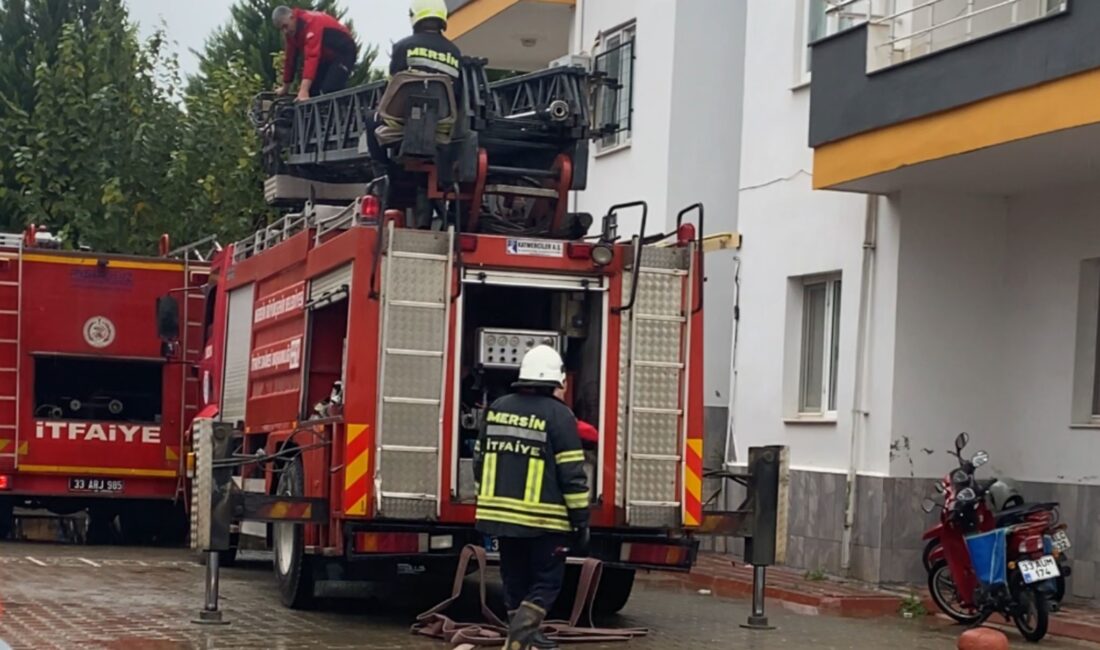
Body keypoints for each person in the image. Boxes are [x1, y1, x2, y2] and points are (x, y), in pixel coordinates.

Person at [474, 346, 590, 650]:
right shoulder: (561, 416)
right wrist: (581, 521)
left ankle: (524, 633)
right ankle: (521, 637)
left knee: (514, 578)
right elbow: (572, 474)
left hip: (500, 517)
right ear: (556, 381)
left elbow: (479, 459)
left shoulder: (497, 407)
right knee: (547, 581)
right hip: (545, 521)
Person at [271, 6, 358, 101]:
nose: (285, 31)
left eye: (285, 26)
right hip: (326, 56)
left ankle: (351, 108)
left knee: (329, 89)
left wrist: (303, 91)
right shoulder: (291, 34)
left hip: (344, 52)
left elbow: (311, 57)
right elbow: (290, 60)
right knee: (313, 92)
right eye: (281, 29)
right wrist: (285, 87)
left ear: (292, 17)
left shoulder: (310, 22)